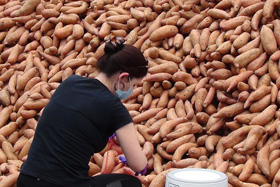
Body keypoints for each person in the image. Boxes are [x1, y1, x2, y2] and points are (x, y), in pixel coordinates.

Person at [17, 37, 148, 187]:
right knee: (130, 184)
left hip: (26, 180)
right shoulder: (114, 108)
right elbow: (138, 164)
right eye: (133, 85)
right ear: (123, 77)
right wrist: (143, 161)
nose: (131, 91)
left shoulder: (70, 82)